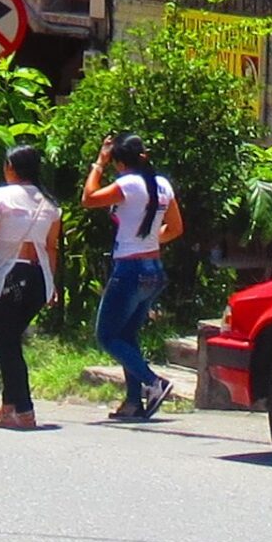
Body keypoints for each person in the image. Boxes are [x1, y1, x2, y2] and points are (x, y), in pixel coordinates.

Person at [83, 132, 183, 421]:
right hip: (153, 269)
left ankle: (153, 382)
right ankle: (132, 402)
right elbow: (175, 228)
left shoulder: (127, 184)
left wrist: (98, 163)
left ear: (119, 162)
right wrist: (148, 240)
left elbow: (88, 198)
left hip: (129, 270)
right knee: (126, 335)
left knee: (106, 336)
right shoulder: (162, 185)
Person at [0, 144, 62, 431]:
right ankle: (9, 404)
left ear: (11, 167)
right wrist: (52, 284)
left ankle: (24, 410)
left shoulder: (1, 197)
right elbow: (51, 248)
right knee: (10, 338)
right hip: (38, 278)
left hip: (9, 278)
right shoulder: (50, 204)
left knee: (8, 344)